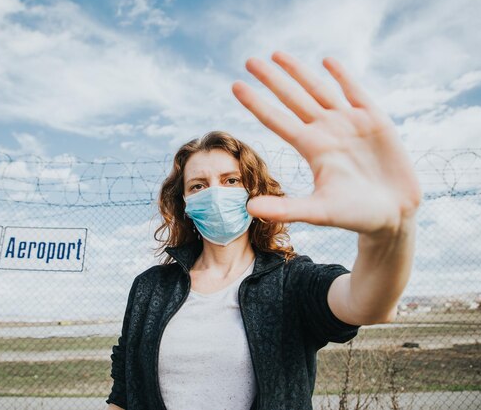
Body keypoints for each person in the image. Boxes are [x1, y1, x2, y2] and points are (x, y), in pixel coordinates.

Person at [105, 51, 422, 410]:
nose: (215, 193)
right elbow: (124, 394)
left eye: (230, 180)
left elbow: (369, 303)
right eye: (198, 186)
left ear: (252, 192)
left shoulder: (291, 281)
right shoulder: (150, 288)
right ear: (185, 206)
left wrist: (391, 234)